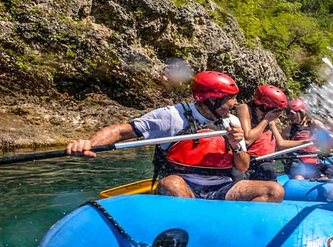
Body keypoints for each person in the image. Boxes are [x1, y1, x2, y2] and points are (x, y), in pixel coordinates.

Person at [66, 71, 284, 202]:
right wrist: (91, 143)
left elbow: (243, 167)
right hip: (185, 184)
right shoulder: (171, 116)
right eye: (230, 99)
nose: (235, 104)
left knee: (274, 190)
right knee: (171, 184)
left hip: (222, 187)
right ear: (211, 99)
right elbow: (121, 131)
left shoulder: (231, 122)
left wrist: (237, 145)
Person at [236, 84, 292, 181]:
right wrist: (266, 119)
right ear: (265, 107)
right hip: (252, 163)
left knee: (269, 169)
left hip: (266, 162)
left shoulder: (269, 119)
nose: (277, 114)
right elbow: (247, 139)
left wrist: (307, 142)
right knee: (267, 169)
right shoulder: (245, 108)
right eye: (276, 110)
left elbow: (281, 143)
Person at [283, 98, 333, 180]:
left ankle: (325, 178)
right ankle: (299, 183)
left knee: (331, 168)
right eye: (288, 113)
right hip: (297, 160)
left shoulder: (314, 124)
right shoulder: (288, 129)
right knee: (298, 172)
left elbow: (329, 136)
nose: (290, 116)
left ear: (303, 112)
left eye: (292, 113)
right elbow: (280, 145)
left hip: (313, 159)